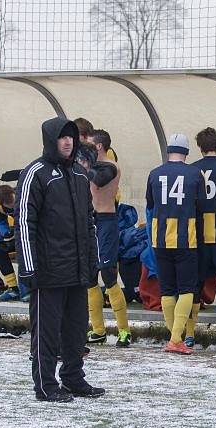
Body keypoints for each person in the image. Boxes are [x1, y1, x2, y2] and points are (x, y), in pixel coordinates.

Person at [16, 117, 104, 402]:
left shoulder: (80, 175)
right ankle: (45, 384)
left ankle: (73, 378)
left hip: (77, 270)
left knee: (77, 330)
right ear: (50, 141)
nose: (67, 142)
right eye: (61, 138)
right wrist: (28, 267)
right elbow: (24, 223)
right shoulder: (35, 174)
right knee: (46, 333)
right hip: (48, 272)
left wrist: (93, 262)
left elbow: (89, 223)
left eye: (71, 137)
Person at [146, 133, 205, 355]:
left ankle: (174, 338)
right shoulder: (193, 174)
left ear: (168, 150)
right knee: (187, 288)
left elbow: (151, 204)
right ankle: (175, 338)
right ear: (187, 153)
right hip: (185, 237)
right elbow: (199, 204)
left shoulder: (154, 173)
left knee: (167, 289)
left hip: (159, 237)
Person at [82, 130, 132, 348]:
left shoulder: (110, 166)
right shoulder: (88, 165)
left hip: (106, 220)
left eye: (90, 144)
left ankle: (123, 330)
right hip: (89, 220)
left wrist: (82, 167)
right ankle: (98, 329)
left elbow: (99, 179)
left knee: (109, 273)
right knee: (90, 277)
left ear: (99, 146)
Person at [187, 127, 216, 347]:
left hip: (199, 232)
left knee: (195, 284)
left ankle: (188, 334)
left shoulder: (192, 169)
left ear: (200, 147)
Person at [0, 184, 27, 302]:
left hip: (30, 233)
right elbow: (1, 222)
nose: (13, 205)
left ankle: (27, 289)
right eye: (9, 205)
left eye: (14, 201)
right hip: (16, 232)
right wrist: (6, 233)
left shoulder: (25, 197)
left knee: (22, 249)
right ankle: (13, 288)